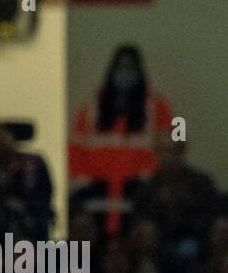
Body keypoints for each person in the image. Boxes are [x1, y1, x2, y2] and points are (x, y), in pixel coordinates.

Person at [69, 45, 174, 235]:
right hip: (96, 196)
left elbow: (172, 147)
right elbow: (76, 150)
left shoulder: (157, 107)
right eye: (121, 68)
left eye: (130, 68)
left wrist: (149, 181)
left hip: (141, 196)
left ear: (139, 71)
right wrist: (83, 185)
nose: (125, 74)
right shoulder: (92, 107)